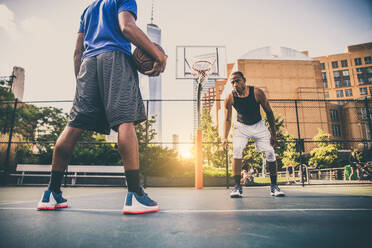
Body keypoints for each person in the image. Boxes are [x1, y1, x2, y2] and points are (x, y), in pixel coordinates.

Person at [36, 0, 167, 214]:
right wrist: (158, 54)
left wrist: (81, 82)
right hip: (115, 58)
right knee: (125, 121)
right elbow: (127, 27)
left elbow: (77, 51)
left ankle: (51, 193)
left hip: (88, 64)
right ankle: (135, 194)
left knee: (73, 125)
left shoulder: (88, 10)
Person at [222, 71, 285, 197]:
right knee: (237, 149)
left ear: (244, 80)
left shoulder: (257, 93)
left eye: (237, 80)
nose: (235, 84)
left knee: (270, 151)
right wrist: (224, 137)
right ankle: (237, 187)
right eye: (232, 82)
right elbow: (227, 119)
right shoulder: (230, 98)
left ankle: (274, 186)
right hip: (241, 127)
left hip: (259, 125)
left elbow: (269, 112)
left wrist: (274, 134)